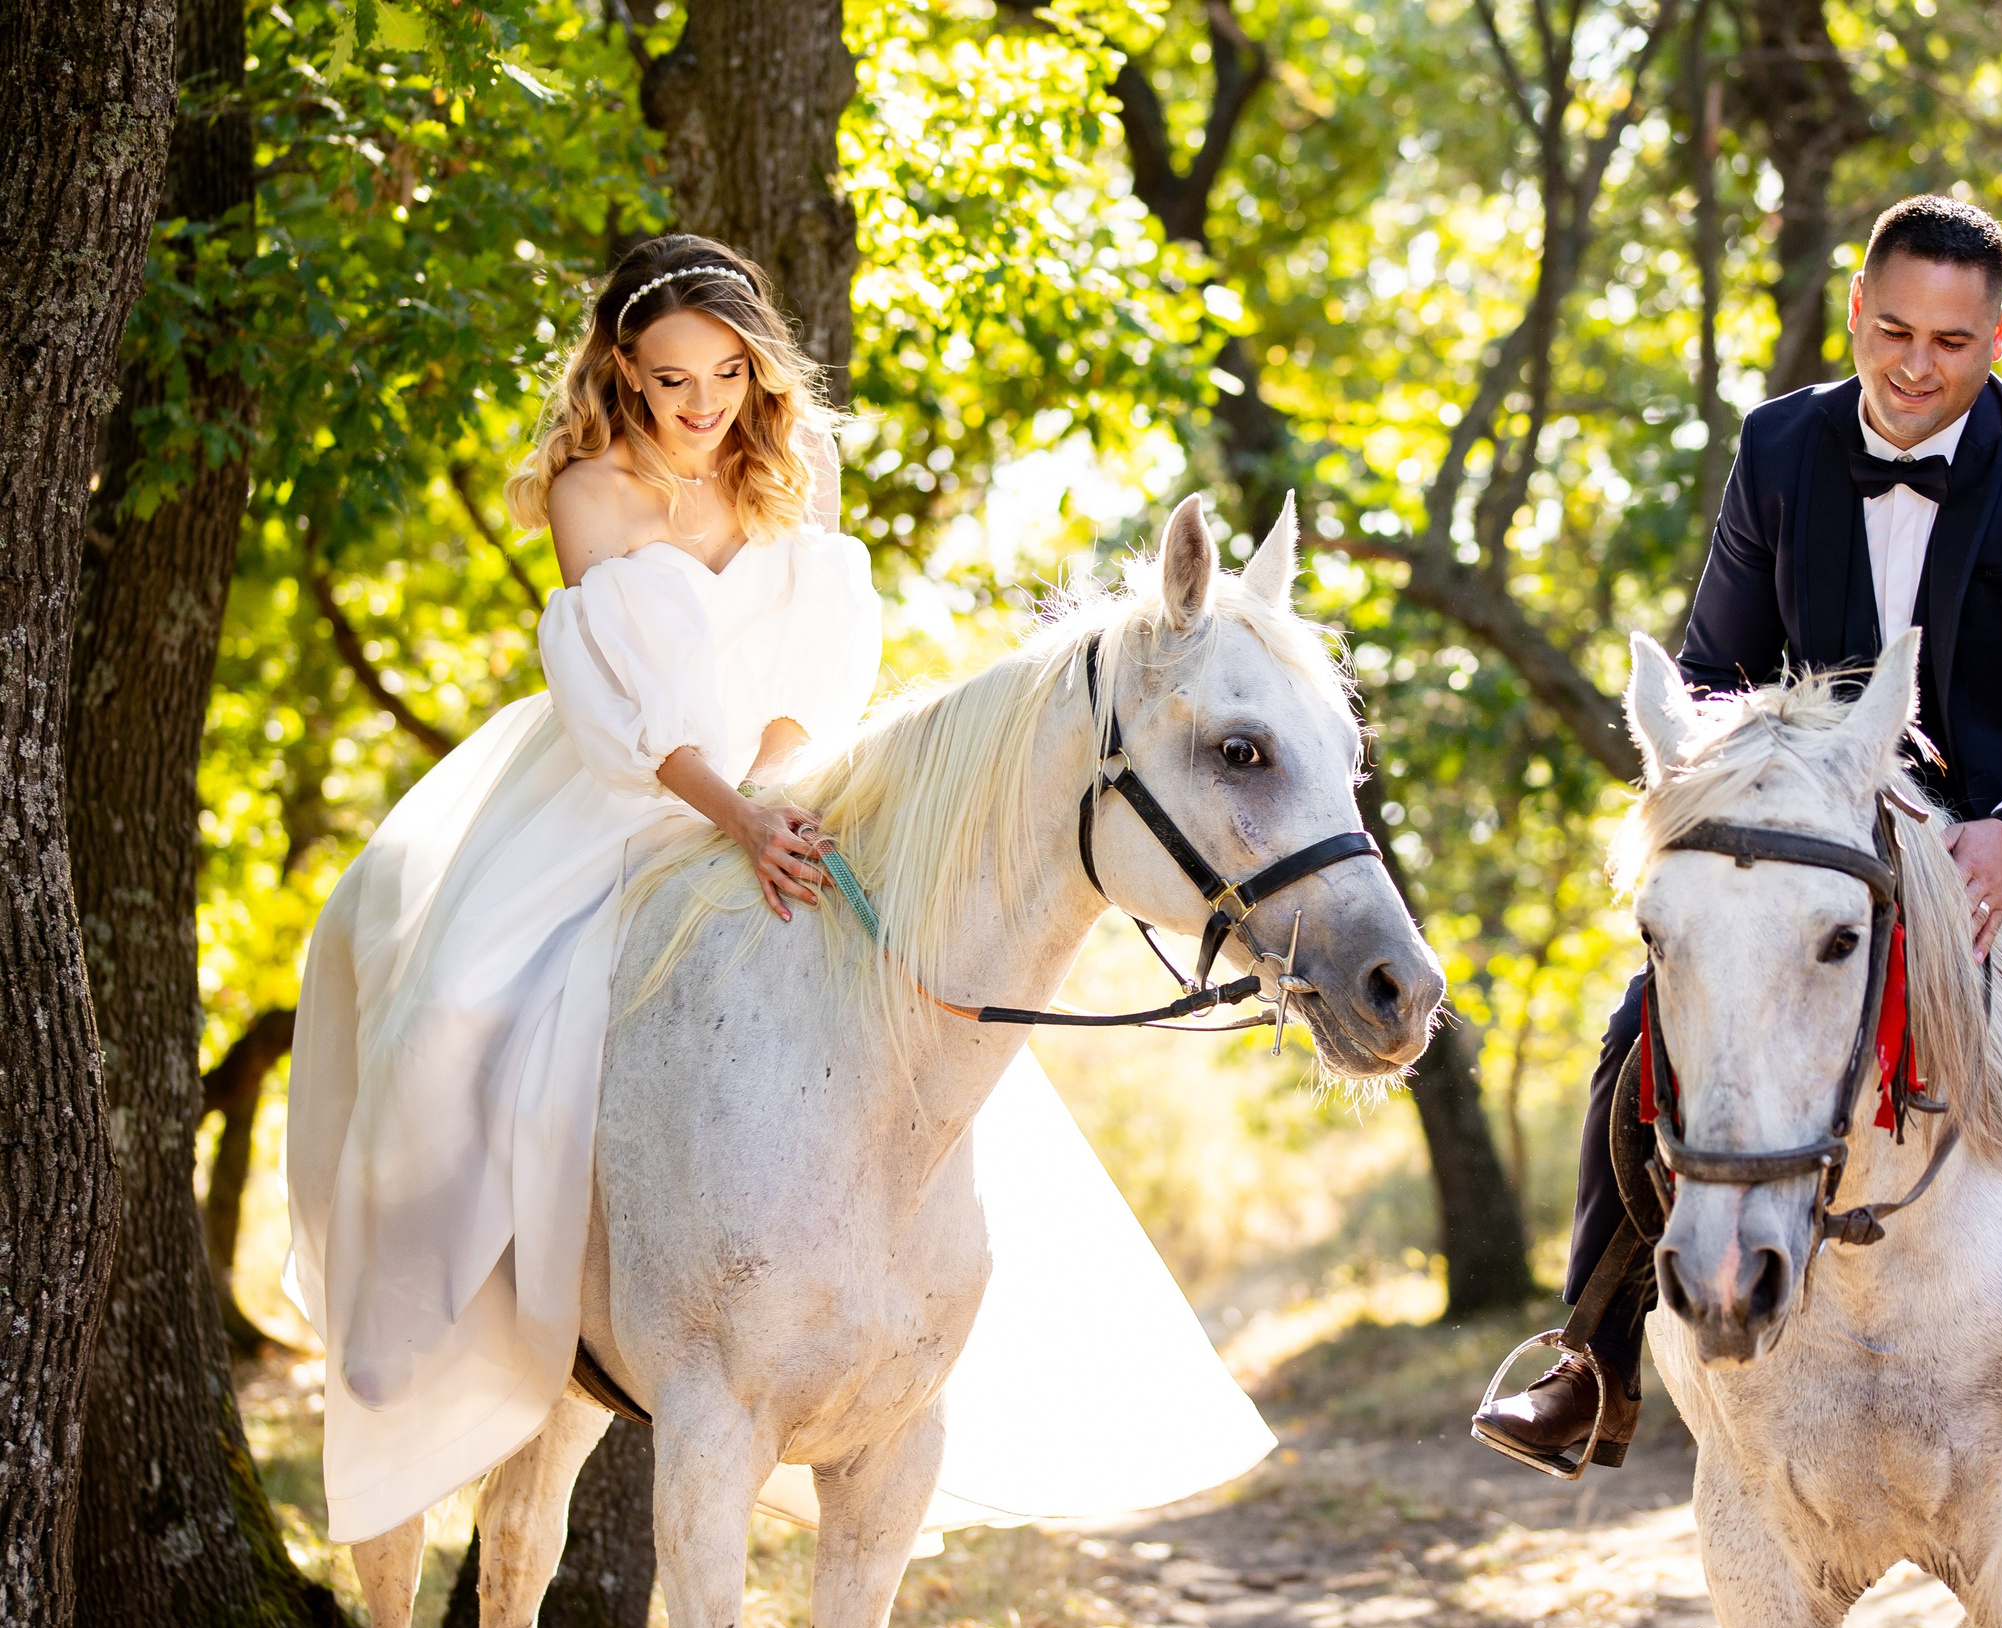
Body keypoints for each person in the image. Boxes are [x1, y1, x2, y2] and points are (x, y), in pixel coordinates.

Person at [285, 234, 1271, 1548]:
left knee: (919, 999)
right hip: (626, 791)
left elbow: (821, 656)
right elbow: (616, 698)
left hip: (790, 782)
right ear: (622, 374)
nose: (700, 405)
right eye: (669, 378)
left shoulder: (796, 473)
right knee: (463, 994)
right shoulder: (592, 492)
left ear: (756, 367)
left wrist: (780, 793)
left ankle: (901, 1314)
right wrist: (730, 814)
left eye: (726, 373)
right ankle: (412, 1306)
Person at [1471, 195, 2002, 1517]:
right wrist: (1743, 777)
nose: (1915, 363)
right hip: (1833, 844)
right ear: (1856, 306)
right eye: (1890, 329)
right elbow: (1710, 672)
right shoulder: (1778, 448)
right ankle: (1588, 1354)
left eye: (1950, 338)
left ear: (1997, 334)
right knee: (1633, 1034)